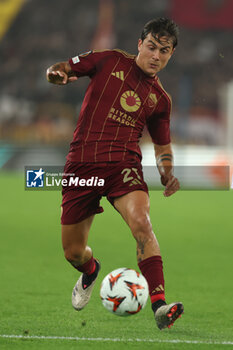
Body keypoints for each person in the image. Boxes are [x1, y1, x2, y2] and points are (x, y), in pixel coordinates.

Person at [46, 17, 184, 330]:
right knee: (73, 251)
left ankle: (160, 306)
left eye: (164, 51)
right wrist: (56, 74)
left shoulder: (161, 100)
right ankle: (91, 270)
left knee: (141, 222)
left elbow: (163, 146)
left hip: (124, 164)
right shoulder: (108, 60)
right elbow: (64, 68)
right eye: (151, 47)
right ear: (140, 44)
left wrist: (166, 172)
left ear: (171, 54)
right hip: (82, 164)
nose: (156, 56)